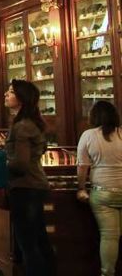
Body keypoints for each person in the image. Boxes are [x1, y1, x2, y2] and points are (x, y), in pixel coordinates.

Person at [4, 79, 54, 276]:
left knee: (28, 243)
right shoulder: (31, 123)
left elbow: (21, 163)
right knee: (39, 239)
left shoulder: (22, 126)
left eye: (10, 92)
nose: (6, 95)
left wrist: (2, 163)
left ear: (22, 98)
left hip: (25, 188)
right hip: (35, 186)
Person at [77, 100, 122, 276]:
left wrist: (81, 188)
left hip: (102, 192)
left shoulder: (88, 135)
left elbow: (82, 166)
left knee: (109, 236)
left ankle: (107, 273)